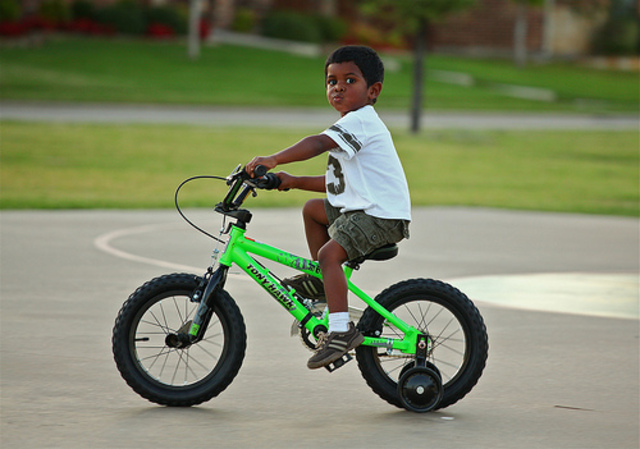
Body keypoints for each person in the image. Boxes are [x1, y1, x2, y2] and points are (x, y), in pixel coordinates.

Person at [245, 45, 411, 370]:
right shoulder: (351, 128)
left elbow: (318, 143)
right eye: (331, 80)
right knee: (312, 210)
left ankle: (340, 332)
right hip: (365, 208)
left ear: (373, 91)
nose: (338, 87)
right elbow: (336, 185)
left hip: (381, 216)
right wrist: (290, 180)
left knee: (328, 255)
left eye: (350, 80)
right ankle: (324, 284)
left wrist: (274, 158)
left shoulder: (361, 122)